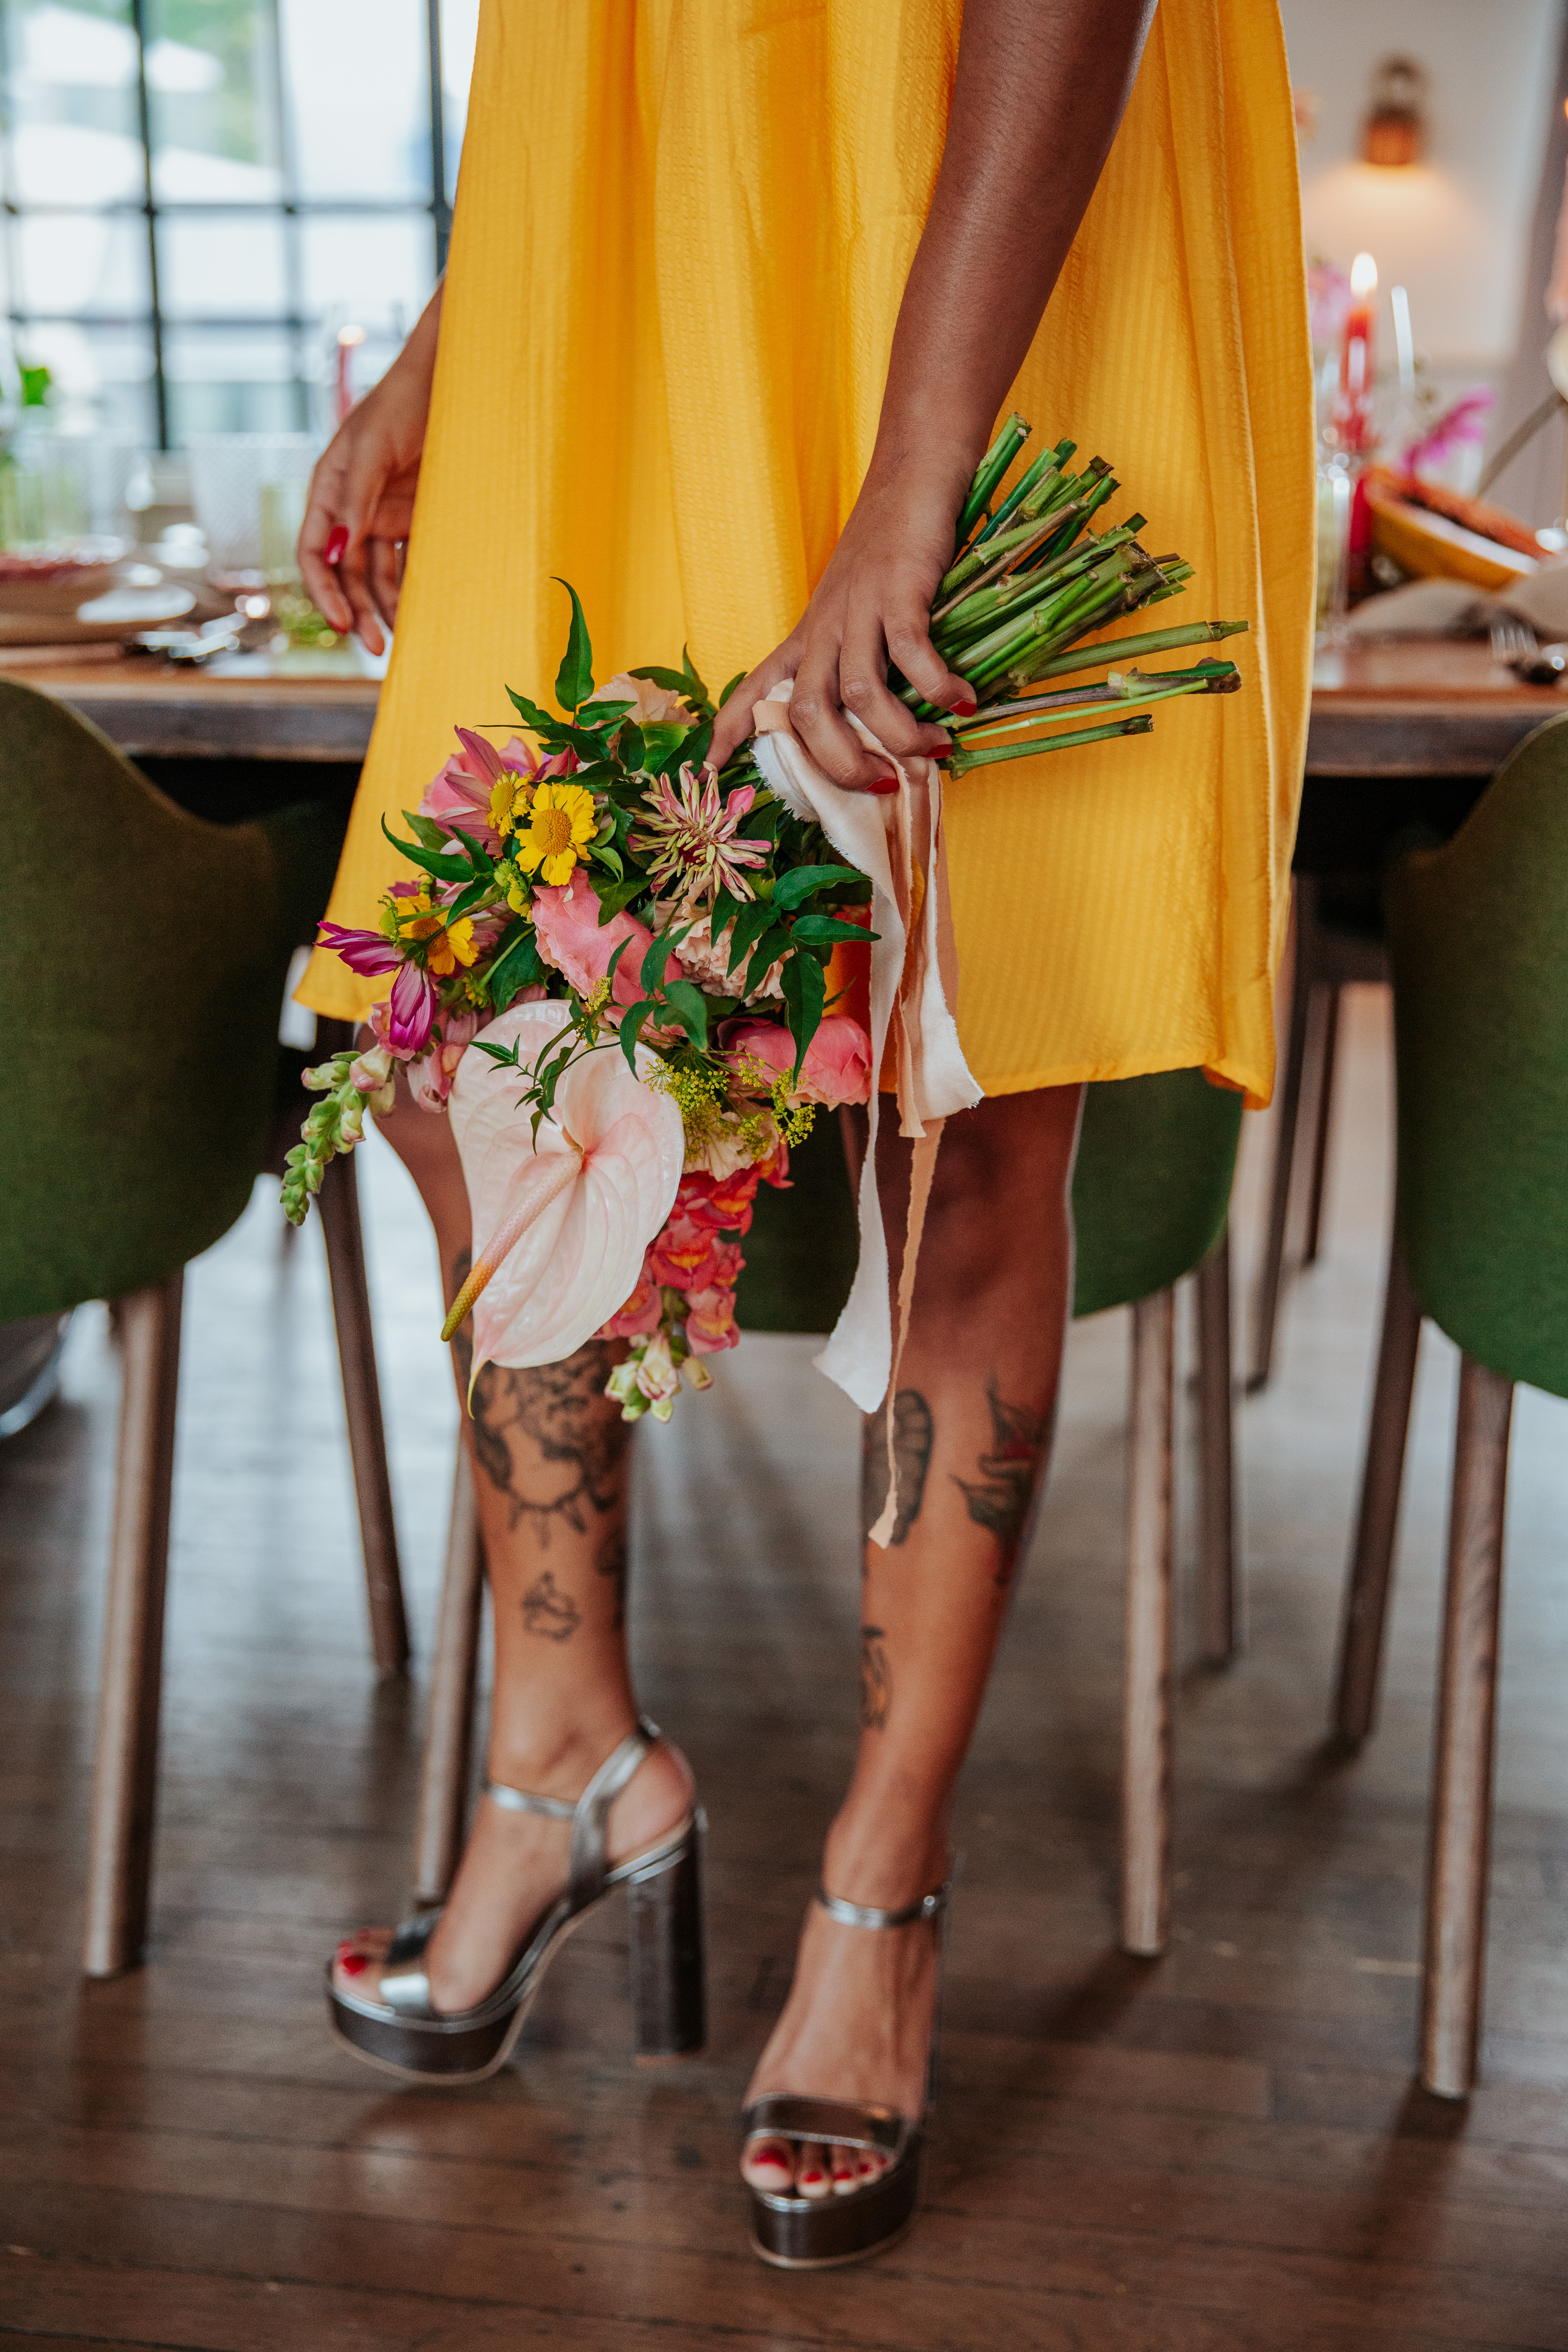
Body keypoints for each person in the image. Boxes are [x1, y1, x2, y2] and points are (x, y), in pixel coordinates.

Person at [296, 0, 1312, 2269]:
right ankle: (560, 1751)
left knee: (967, 1090)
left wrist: (917, 476)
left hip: (996, 270)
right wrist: (464, 332)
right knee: (471, 1013)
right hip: (627, 268)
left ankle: (882, 1884)